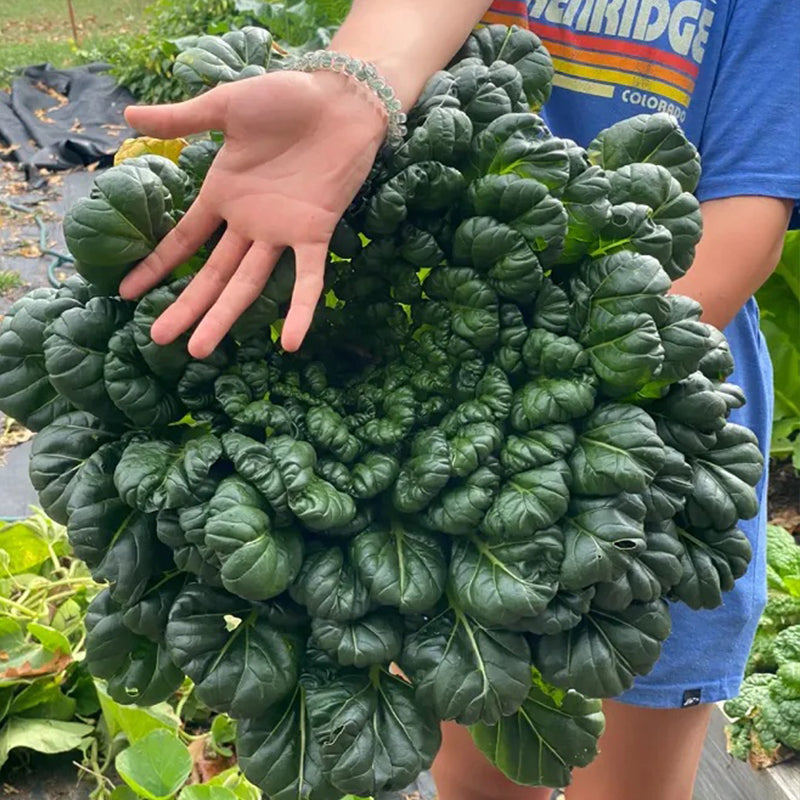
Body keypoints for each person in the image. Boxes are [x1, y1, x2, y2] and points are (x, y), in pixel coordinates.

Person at [117, 1, 800, 798]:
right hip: (438, 511)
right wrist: (351, 88)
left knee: (633, 778)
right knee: (475, 762)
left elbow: (744, 224)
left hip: (651, 439)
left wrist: (572, 382)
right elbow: (391, 48)